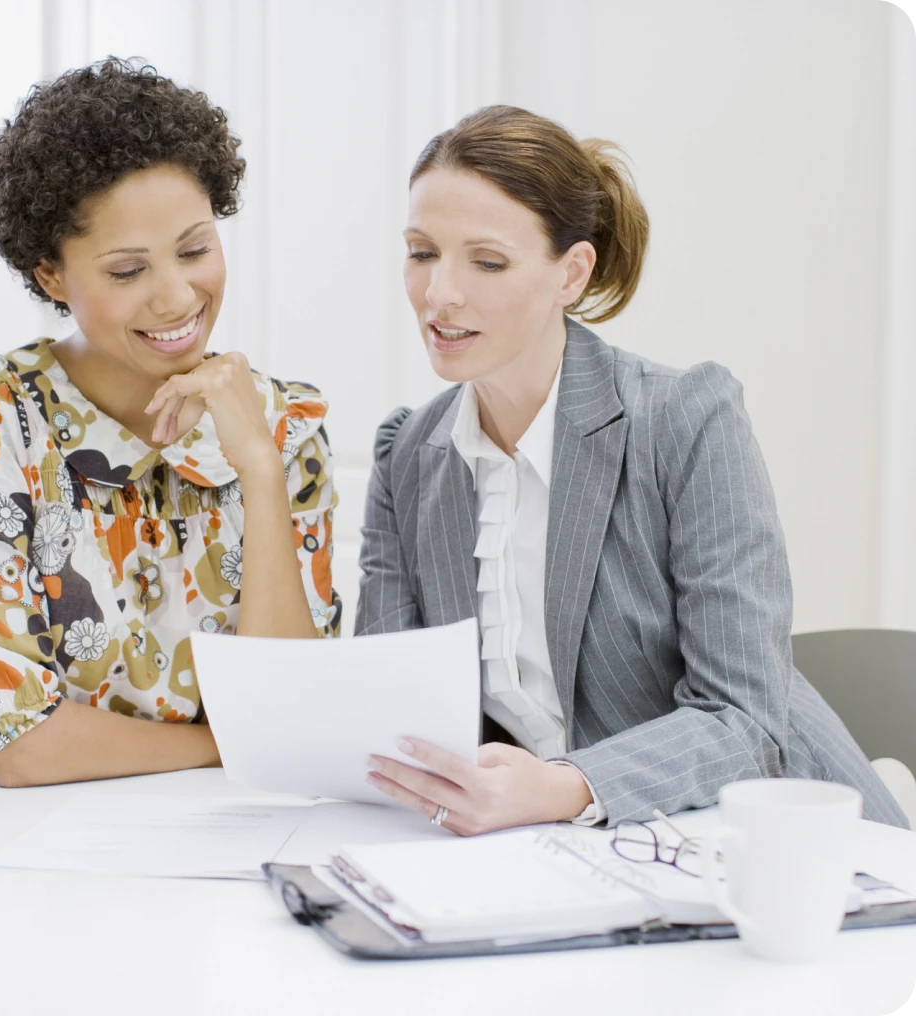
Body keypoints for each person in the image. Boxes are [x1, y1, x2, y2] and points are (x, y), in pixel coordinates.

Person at [356, 105, 907, 831]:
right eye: (422, 252)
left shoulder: (685, 421)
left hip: (777, 841)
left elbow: (744, 719)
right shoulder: (407, 456)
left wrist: (561, 787)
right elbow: (390, 712)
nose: (439, 293)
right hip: (571, 854)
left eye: (486, 262)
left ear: (571, 273)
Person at [0, 59, 339, 789]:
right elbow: (17, 744)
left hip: (243, 833)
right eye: (127, 271)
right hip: (34, 841)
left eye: (195, 250)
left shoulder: (286, 425)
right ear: (51, 275)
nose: (176, 297)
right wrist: (230, 744)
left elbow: (299, 712)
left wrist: (261, 472)